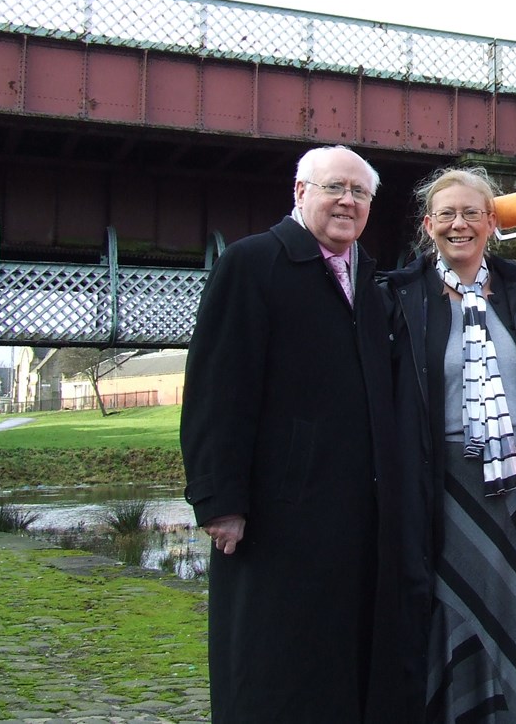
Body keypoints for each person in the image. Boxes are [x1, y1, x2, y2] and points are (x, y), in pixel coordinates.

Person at [179, 145, 392, 723]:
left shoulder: (370, 280)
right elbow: (215, 389)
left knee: (338, 663)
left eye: (359, 193)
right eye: (334, 188)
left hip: (353, 512)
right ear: (300, 193)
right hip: (279, 512)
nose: (347, 201)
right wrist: (220, 500)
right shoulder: (253, 264)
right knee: (273, 665)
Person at [373, 165, 516, 723]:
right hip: (443, 481)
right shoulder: (400, 299)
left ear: (492, 222)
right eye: (446, 214)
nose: (458, 224)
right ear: (427, 225)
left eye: (471, 213)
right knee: (450, 602)